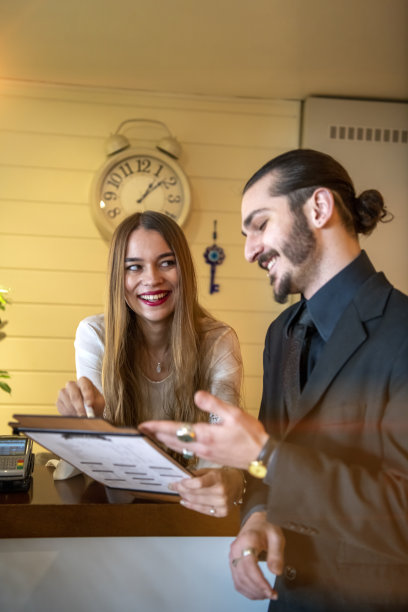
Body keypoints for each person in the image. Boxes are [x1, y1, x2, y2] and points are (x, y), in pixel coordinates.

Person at [140, 149, 408, 611]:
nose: (249, 250)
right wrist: (257, 517)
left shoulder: (402, 332)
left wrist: (264, 455)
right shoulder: (280, 335)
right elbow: (265, 469)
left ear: (318, 209)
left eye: (260, 224)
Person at [57, 210, 246, 517]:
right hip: (115, 512)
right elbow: (96, 446)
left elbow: (220, 443)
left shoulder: (217, 340)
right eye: (134, 267)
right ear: (119, 277)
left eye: (167, 263)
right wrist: (76, 420)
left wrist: (222, 479)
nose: (152, 279)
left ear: (183, 268)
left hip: (192, 511)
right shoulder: (94, 334)